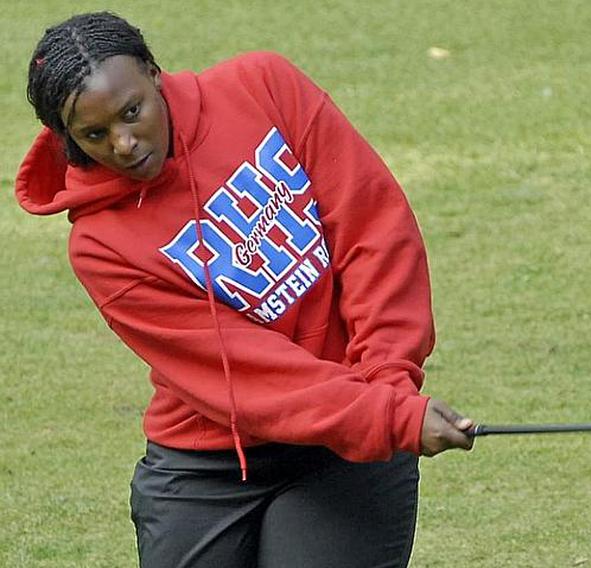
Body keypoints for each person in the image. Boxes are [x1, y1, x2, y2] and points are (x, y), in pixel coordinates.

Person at [17, 11, 474, 567]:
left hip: (348, 430)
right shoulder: (100, 246)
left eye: (132, 112)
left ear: (154, 74)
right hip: (206, 461)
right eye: (95, 135)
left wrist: (389, 388)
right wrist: (383, 413)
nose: (125, 142)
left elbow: (372, 229)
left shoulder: (264, 88)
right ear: (69, 139)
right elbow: (244, 370)